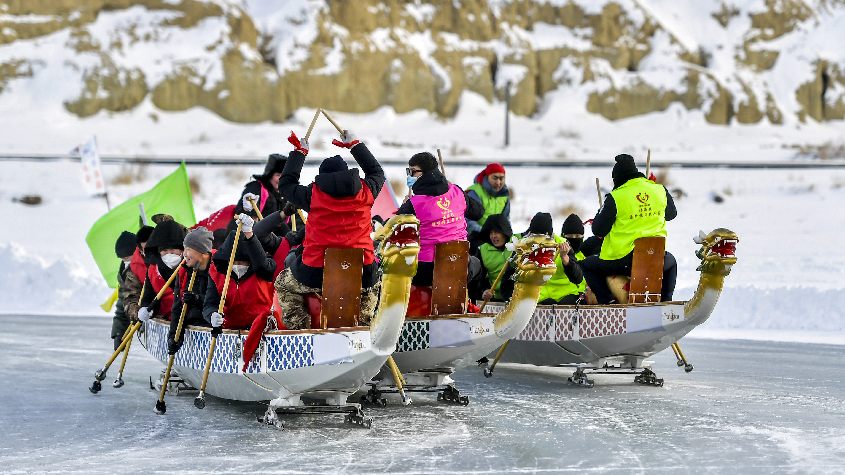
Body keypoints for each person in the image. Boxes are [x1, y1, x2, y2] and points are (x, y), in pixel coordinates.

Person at [275, 128, 385, 330]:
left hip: (316, 271)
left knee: (282, 283)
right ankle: (363, 328)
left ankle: (301, 330)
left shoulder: (311, 195)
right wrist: (355, 145)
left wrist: (299, 154)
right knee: (374, 285)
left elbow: (285, 184)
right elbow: (377, 172)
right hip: (362, 270)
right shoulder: (366, 190)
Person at [581, 154, 678, 304]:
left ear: (618, 177)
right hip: (655, 257)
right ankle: (665, 301)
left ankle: (606, 301)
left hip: (625, 260)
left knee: (587, 265)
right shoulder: (659, 189)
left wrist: (602, 212)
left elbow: (598, 230)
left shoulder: (616, 197)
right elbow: (671, 215)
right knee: (672, 262)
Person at [396, 151, 484, 286]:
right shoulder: (456, 191)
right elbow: (478, 213)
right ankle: (467, 302)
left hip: (428, 269)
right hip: (459, 263)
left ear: (426, 173)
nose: (409, 176)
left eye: (413, 171)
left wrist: (403, 207)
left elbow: (395, 231)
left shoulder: (414, 203)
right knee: (477, 264)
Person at [203, 214, 281, 330]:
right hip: (232, 330)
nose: (238, 265)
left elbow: (261, 264)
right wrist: (212, 315)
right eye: (234, 261)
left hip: (263, 329)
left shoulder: (263, 268)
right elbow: (210, 304)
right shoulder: (216, 272)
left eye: (243, 261)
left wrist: (250, 235)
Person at [499, 212, 581, 302]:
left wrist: (566, 259)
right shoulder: (521, 248)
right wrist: (513, 302)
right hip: (537, 300)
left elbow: (577, 279)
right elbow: (507, 283)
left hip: (565, 296)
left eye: (542, 236)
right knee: (548, 303)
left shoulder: (563, 244)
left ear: (550, 236)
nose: (537, 241)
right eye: (534, 235)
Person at [167, 227, 213, 355]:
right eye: (184, 248)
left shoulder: (218, 270)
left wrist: (198, 300)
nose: (184, 254)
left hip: (212, 327)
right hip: (192, 325)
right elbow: (177, 307)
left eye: (188, 249)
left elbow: (222, 303)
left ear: (203, 252)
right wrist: (174, 336)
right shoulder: (183, 271)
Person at [234, 153, 302, 234]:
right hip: (259, 237)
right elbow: (245, 213)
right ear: (270, 175)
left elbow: (297, 219)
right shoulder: (256, 188)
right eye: (278, 175)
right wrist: (251, 214)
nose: (281, 180)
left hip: (280, 240)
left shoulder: (288, 195)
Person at [138, 220, 186, 322]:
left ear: (182, 248)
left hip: (192, 321)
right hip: (167, 320)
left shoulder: (192, 267)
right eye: (164, 249)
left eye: (173, 249)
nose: (169, 253)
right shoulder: (153, 271)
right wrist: (146, 308)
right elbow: (148, 296)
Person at [536, 214, 586, 305]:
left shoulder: (583, 249)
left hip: (570, 295)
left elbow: (577, 278)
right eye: (570, 235)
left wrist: (566, 260)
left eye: (578, 236)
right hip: (542, 297)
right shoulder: (525, 247)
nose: (574, 239)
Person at [466, 163, 510, 253]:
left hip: (496, 236)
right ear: (487, 177)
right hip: (476, 235)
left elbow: (505, 219)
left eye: (501, 178)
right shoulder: (475, 193)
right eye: (495, 178)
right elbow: (469, 221)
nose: (498, 182)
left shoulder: (504, 194)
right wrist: (486, 234)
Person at [473, 214, 512, 302]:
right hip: (496, 301)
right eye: (490, 232)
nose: (493, 236)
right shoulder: (482, 250)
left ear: (504, 231)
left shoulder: (518, 243)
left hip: (518, 299)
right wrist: (484, 290)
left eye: (497, 232)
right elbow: (479, 279)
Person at [123, 225, 153, 324]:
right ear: (141, 250)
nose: (152, 251)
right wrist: (138, 312)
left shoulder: (172, 257)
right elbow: (130, 297)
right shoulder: (133, 269)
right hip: (152, 321)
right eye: (147, 249)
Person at [111, 231, 136, 350]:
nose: (125, 261)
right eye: (122, 258)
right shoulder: (123, 273)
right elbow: (123, 303)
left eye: (127, 257)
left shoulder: (150, 267)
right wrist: (118, 333)